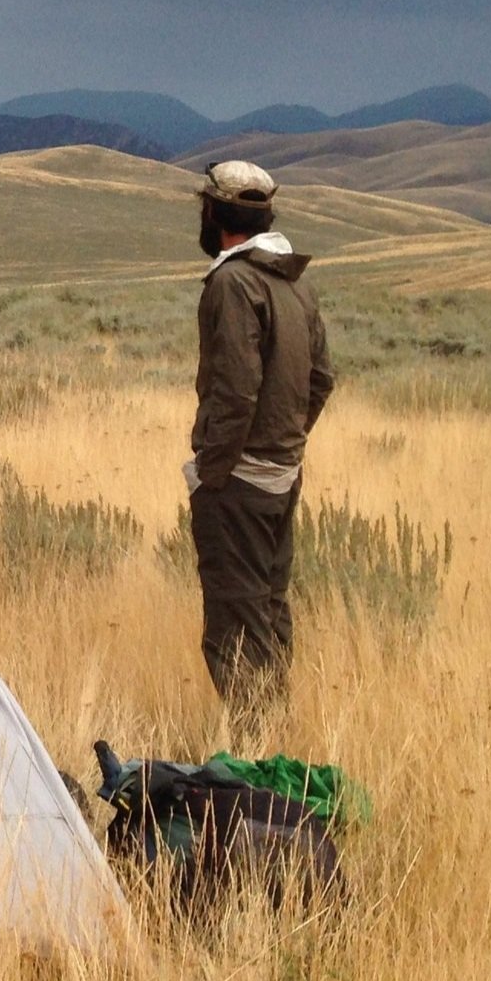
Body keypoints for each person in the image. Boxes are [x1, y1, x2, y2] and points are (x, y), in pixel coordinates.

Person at [186, 160, 333, 715]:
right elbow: (320, 379)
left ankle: (254, 769)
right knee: (268, 616)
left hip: (240, 484)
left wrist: (213, 473)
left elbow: (236, 392)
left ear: (216, 214)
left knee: (235, 630)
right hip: (281, 478)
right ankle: (273, 752)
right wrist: (284, 444)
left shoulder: (233, 282)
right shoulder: (294, 283)